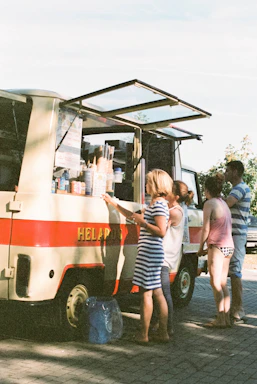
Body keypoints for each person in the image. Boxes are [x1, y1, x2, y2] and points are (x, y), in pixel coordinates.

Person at [102, 169, 173, 344]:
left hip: (149, 254)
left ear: (156, 185)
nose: (146, 186)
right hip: (151, 253)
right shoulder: (155, 205)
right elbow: (132, 216)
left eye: (148, 183)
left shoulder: (158, 206)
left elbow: (161, 231)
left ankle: (144, 334)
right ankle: (162, 333)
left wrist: (144, 223)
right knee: (157, 293)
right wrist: (114, 203)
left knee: (146, 295)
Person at [151, 180, 194, 337]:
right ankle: (158, 322)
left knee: (164, 292)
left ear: (175, 196)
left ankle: (168, 326)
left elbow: (160, 226)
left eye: (168, 190)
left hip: (164, 257)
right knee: (160, 291)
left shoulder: (174, 212)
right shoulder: (178, 209)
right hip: (167, 256)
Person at [197, 173, 234, 328]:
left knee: (215, 282)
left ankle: (220, 318)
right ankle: (226, 317)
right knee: (223, 283)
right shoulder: (223, 203)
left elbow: (206, 228)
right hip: (229, 245)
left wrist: (201, 247)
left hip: (217, 245)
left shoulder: (209, 203)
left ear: (206, 189)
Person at [225, 160, 251, 324]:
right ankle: (231, 309)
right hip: (232, 234)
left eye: (227, 171)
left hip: (237, 235)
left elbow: (225, 205)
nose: (226, 173)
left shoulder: (240, 188)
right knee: (231, 272)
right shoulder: (235, 189)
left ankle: (238, 310)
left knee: (235, 272)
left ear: (235, 172)